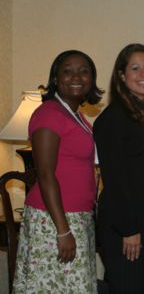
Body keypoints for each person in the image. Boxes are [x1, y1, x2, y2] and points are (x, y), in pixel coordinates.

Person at [13, 50, 104, 293]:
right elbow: (44, 174)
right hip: (54, 220)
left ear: (92, 80)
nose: (76, 76)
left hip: (78, 217)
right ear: (55, 78)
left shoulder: (77, 116)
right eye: (68, 70)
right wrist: (63, 230)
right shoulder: (49, 113)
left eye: (84, 71)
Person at [93, 43, 144, 293]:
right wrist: (129, 229)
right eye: (135, 68)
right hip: (126, 226)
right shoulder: (112, 119)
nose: (143, 74)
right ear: (122, 76)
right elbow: (115, 179)